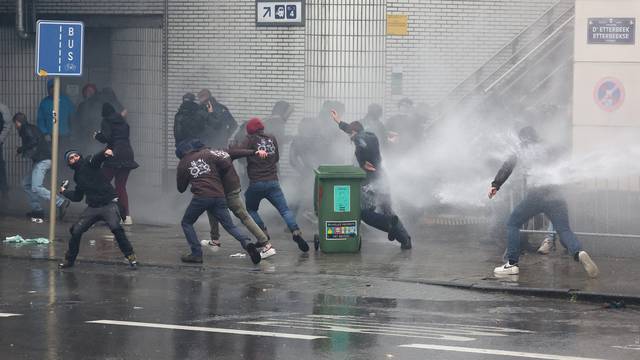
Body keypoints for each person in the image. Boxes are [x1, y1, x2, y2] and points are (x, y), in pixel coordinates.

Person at [488, 126, 599, 278]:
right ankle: (579, 252)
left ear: (523, 139)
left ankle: (511, 263)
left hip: (537, 194)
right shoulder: (548, 149)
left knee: (513, 223)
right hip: (556, 194)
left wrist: (496, 185)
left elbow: (507, 166)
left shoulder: (523, 150)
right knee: (564, 230)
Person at [330, 110, 412, 249]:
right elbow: (358, 135)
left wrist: (362, 162)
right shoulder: (372, 136)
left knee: (365, 213)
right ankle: (406, 240)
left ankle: (389, 224)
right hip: (382, 179)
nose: (350, 137)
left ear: (355, 131)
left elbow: (359, 140)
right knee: (388, 211)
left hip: (372, 182)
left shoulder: (360, 138)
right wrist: (339, 122)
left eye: (351, 134)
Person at [176, 138, 261, 264]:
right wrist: (218, 174)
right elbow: (226, 163)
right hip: (219, 195)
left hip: (201, 197)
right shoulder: (207, 154)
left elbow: (181, 188)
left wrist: (191, 177)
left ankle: (196, 254)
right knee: (230, 226)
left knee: (187, 223)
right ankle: (247, 242)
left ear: (180, 155)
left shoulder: (183, 163)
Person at [58, 148, 137, 269]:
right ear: (69, 163)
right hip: (93, 207)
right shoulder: (77, 177)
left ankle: (131, 257)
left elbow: (96, 159)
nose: (74, 159)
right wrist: (64, 192)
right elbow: (78, 196)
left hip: (108, 204)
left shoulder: (89, 162)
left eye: (76, 156)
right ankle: (69, 260)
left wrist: (104, 153)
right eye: (71, 158)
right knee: (75, 231)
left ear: (80, 156)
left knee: (116, 229)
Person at [240, 117, 309, 252]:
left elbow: (241, 154)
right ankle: (295, 231)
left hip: (257, 183)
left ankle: (263, 233)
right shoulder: (271, 138)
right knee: (284, 210)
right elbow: (276, 158)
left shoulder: (250, 139)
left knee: (251, 210)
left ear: (250, 130)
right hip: (273, 182)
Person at [203, 147, 277, 259]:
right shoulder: (222, 152)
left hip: (224, 191)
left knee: (213, 207)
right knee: (244, 217)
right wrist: (255, 152)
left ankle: (267, 245)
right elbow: (237, 152)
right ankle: (266, 244)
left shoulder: (204, 159)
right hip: (233, 187)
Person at [13, 113, 69, 222]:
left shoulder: (25, 129)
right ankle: (37, 210)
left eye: (15, 124)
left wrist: (21, 149)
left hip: (43, 160)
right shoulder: (32, 127)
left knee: (36, 187)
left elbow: (33, 141)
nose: (15, 126)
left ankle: (61, 202)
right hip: (43, 160)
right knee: (26, 183)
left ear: (17, 122)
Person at [94, 103, 139, 225]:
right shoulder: (123, 122)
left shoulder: (106, 121)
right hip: (128, 153)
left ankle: (104, 213)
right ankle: (126, 217)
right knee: (121, 186)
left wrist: (97, 135)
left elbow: (106, 137)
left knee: (102, 182)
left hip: (114, 154)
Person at [0, 102, 12, 200]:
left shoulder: (2, 108)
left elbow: (7, 126)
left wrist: (0, 139)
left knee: (0, 168)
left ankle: (4, 193)